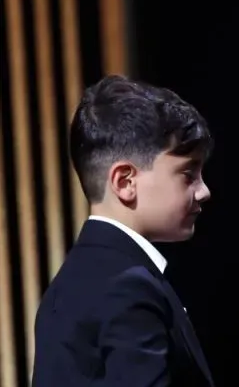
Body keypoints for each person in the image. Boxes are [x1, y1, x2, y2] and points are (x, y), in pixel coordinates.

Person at [32, 75, 215, 387]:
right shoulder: (126, 287)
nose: (204, 191)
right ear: (125, 182)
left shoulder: (74, 281)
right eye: (188, 174)